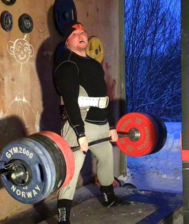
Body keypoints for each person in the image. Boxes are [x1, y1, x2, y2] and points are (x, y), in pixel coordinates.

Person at [53, 21, 124, 224]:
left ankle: (109, 198)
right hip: (80, 123)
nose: (82, 35)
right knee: (71, 170)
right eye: (76, 34)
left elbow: (104, 97)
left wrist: (111, 126)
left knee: (106, 156)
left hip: (100, 122)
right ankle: (63, 217)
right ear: (68, 41)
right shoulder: (66, 64)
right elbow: (70, 101)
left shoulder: (93, 63)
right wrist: (80, 134)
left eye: (83, 32)